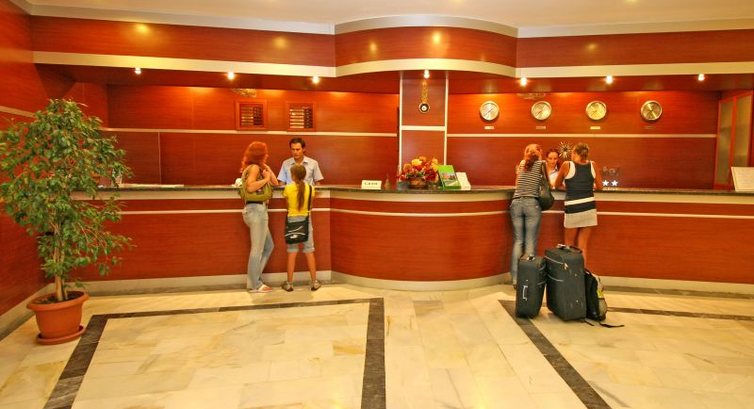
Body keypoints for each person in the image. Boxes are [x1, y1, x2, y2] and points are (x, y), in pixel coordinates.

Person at [553, 142, 603, 265]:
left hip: (573, 207)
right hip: (589, 207)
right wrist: (588, 186)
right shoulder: (593, 165)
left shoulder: (567, 165)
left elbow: (557, 185)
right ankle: (582, 274)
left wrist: (570, 187)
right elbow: (600, 187)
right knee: (583, 246)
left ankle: (570, 274)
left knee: (569, 246)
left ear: (574, 153)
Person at [240, 141, 280, 293]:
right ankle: (254, 284)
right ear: (260, 154)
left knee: (269, 246)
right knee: (257, 249)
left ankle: (254, 279)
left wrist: (267, 169)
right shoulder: (254, 168)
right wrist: (265, 179)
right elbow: (250, 187)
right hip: (257, 211)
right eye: (265, 153)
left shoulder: (257, 167)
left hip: (254, 211)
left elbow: (275, 183)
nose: (267, 155)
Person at [509, 143, 547, 288]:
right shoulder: (541, 165)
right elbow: (548, 183)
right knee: (530, 241)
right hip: (532, 204)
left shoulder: (521, 164)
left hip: (516, 203)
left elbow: (517, 184)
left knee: (518, 241)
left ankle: (515, 279)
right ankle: (527, 279)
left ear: (526, 153)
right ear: (539, 153)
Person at [281, 164, 321, 292]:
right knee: (309, 251)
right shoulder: (310, 188)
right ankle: (314, 282)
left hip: (292, 221)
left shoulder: (288, 188)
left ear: (293, 176)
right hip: (306, 221)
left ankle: (289, 283)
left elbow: (287, 206)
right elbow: (311, 206)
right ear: (304, 175)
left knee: (292, 251)